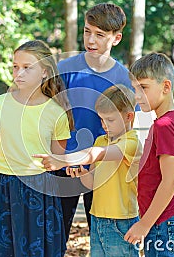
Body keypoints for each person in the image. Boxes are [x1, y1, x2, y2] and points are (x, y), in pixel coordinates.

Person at [0, 40, 73, 257]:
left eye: (27, 67)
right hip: (4, 189)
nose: (18, 73)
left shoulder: (56, 112)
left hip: (41, 192)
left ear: (44, 71)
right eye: (15, 66)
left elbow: (57, 162)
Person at [34, 84, 142, 256]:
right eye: (101, 119)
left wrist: (62, 160)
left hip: (121, 221)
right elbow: (92, 183)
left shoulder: (131, 144)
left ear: (129, 116)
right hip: (97, 218)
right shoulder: (100, 140)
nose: (104, 125)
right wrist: (83, 175)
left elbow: (97, 154)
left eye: (110, 120)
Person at [56, 2, 133, 241]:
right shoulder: (64, 69)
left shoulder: (124, 78)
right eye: (87, 31)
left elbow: (128, 128)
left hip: (103, 168)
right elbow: (49, 116)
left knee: (102, 237)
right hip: (64, 163)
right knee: (55, 237)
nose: (91, 40)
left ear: (116, 38)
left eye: (99, 35)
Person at [124, 53, 174, 256]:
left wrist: (144, 224)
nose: (137, 96)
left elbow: (170, 181)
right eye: (135, 89)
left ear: (166, 87)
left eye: (143, 88)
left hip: (164, 220)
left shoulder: (164, 125)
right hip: (167, 216)